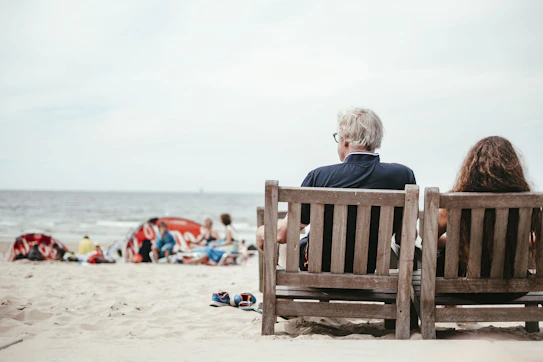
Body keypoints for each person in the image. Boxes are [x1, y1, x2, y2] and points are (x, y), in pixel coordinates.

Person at [256, 107, 416, 273]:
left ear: (345, 139)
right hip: (371, 269)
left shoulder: (319, 177)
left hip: (318, 269)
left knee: (282, 245)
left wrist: (261, 232)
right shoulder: (403, 176)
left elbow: (282, 234)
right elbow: (407, 234)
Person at [435, 136, 541, 279]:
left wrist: (461, 242)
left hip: (464, 286)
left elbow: (430, 240)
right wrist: (517, 242)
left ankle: (451, 302)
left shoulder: (454, 203)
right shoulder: (529, 204)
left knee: (443, 253)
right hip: (512, 286)